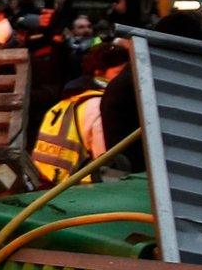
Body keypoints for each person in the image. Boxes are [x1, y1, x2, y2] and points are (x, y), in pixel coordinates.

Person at [32, 43, 131, 184]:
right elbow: (107, 160)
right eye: (119, 73)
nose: (124, 79)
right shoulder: (100, 105)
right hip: (77, 190)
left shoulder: (67, 101)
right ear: (98, 73)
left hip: (42, 184)